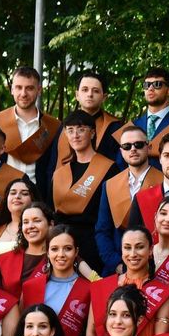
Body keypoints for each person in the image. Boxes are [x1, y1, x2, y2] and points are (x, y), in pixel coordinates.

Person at [51, 110, 121, 273]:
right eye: (70, 130)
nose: (75, 135)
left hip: (94, 243)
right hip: (64, 245)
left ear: (92, 133)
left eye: (81, 130)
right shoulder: (60, 173)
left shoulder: (109, 169)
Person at [85, 228, 169, 336]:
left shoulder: (162, 293)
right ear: (121, 251)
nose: (133, 254)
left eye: (139, 247)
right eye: (127, 247)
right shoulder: (103, 286)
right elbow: (91, 332)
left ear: (150, 250)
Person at [94, 125, 163, 273]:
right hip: (118, 265)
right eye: (127, 146)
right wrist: (117, 265)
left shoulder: (164, 182)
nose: (133, 149)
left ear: (149, 147)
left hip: (155, 264)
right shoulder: (110, 185)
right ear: (121, 151)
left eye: (138, 144)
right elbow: (102, 231)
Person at [19, 224, 92, 336]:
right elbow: (21, 330)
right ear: (47, 252)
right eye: (54, 249)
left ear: (76, 252)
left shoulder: (88, 289)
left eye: (68, 249)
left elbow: (91, 334)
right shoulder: (31, 287)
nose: (61, 254)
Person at [0, 66, 62, 188]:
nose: (23, 94)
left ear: (39, 90)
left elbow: (54, 167)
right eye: (18, 87)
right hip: (0, 193)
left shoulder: (53, 127)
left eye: (29, 88)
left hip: (37, 194)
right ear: (12, 89)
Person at [63, 70, 126, 162]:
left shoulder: (116, 128)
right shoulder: (64, 127)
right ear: (77, 95)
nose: (90, 94)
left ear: (104, 97)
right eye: (85, 90)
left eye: (96, 91)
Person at [0, 202, 52, 295]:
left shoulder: (58, 258)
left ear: (51, 224)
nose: (30, 226)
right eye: (25, 222)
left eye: (37, 221)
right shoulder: (5, 259)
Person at [0, 176, 38, 256]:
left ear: (33, 199)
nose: (17, 196)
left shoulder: (38, 228)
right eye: (13, 193)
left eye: (24, 193)